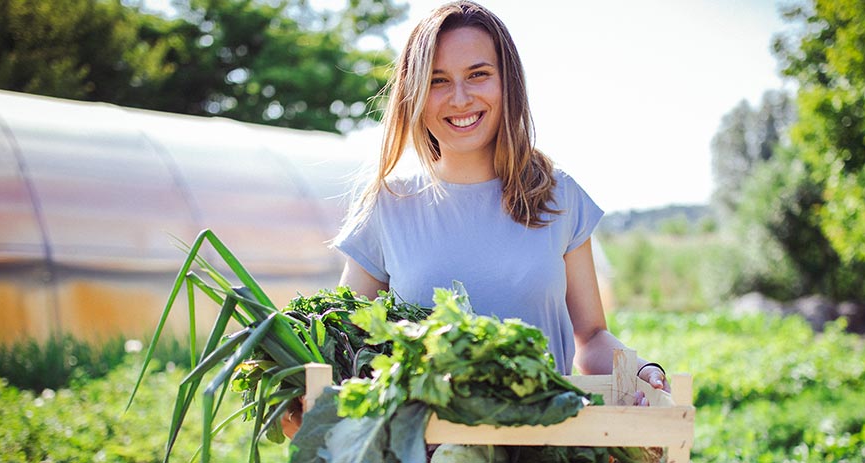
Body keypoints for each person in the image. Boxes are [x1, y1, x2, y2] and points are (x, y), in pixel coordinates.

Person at [283, 0, 668, 438]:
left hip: (544, 446)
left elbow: (592, 336)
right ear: (415, 93)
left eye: (478, 74)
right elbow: (346, 346)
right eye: (438, 80)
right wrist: (303, 395)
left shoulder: (559, 197)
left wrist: (640, 369)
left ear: (508, 84)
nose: (460, 98)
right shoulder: (387, 206)